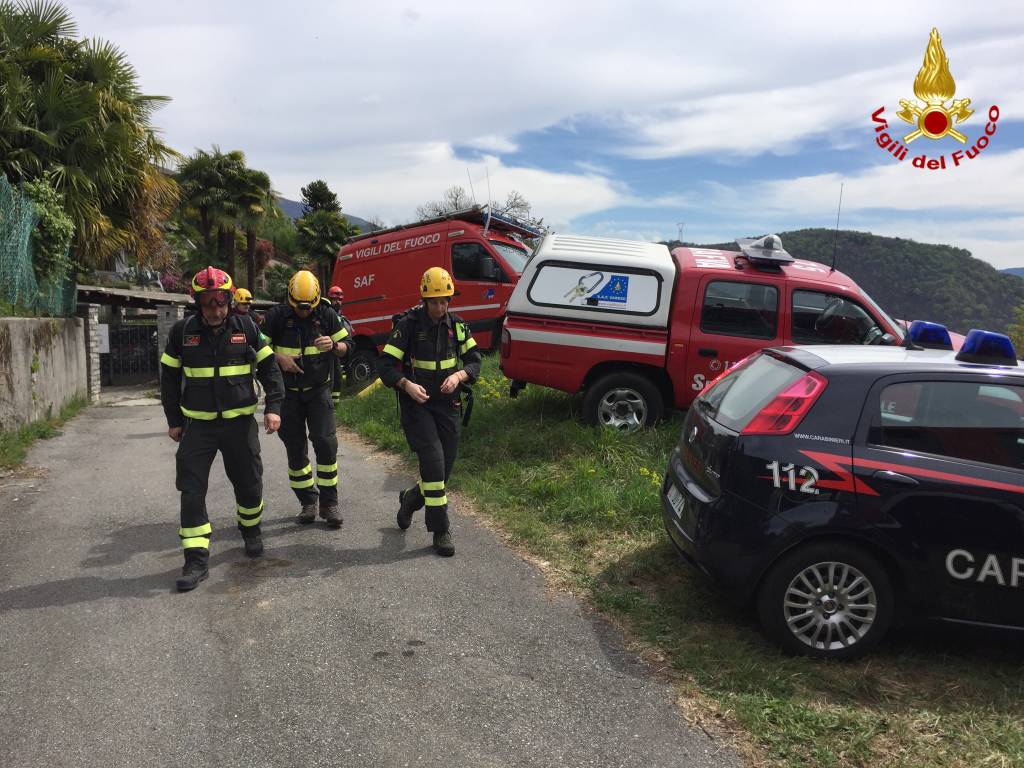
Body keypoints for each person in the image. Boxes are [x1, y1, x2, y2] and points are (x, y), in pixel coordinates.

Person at [160, 266, 284, 592]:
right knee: (191, 490)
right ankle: (196, 559)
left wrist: (273, 408)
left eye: (220, 301)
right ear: (197, 303)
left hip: (239, 425)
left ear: (229, 300)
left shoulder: (247, 328)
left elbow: (270, 369)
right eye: (208, 302)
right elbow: (169, 379)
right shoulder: (182, 333)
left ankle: (251, 529)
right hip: (197, 427)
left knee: (249, 482)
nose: (215, 309)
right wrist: (173, 419)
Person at [377, 267, 481, 557]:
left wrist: (459, 377)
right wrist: (406, 384)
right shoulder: (408, 325)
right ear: (424, 299)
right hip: (417, 406)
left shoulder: (458, 326)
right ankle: (440, 529)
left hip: (448, 405)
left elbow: (474, 360)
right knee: (434, 464)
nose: (440, 307)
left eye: (445, 301)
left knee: (443, 471)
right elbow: (384, 366)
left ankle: (411, 499)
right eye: (434, 302)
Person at [261, 270, 353, 527]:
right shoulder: (276, 317)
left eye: (308, 308)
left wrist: (335, 346)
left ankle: (329, 503)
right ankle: (307, 501)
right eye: (299, 308)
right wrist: (279, 358)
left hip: (318, 391)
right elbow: (256, 347)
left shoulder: (326, 314)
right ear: (290, 300)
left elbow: (349, 347)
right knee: (295, 449)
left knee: (325, 443)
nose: (304, 312)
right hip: (287, 395)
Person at [326, 285, 347, 405]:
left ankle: (335, 404)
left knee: (338, 377)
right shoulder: (326, 313)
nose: (338, 302)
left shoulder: (339, 315)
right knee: (330, 378)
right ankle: (328, 403)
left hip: (336, 351)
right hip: (326, 351)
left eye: (340, 299)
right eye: (335, 299)